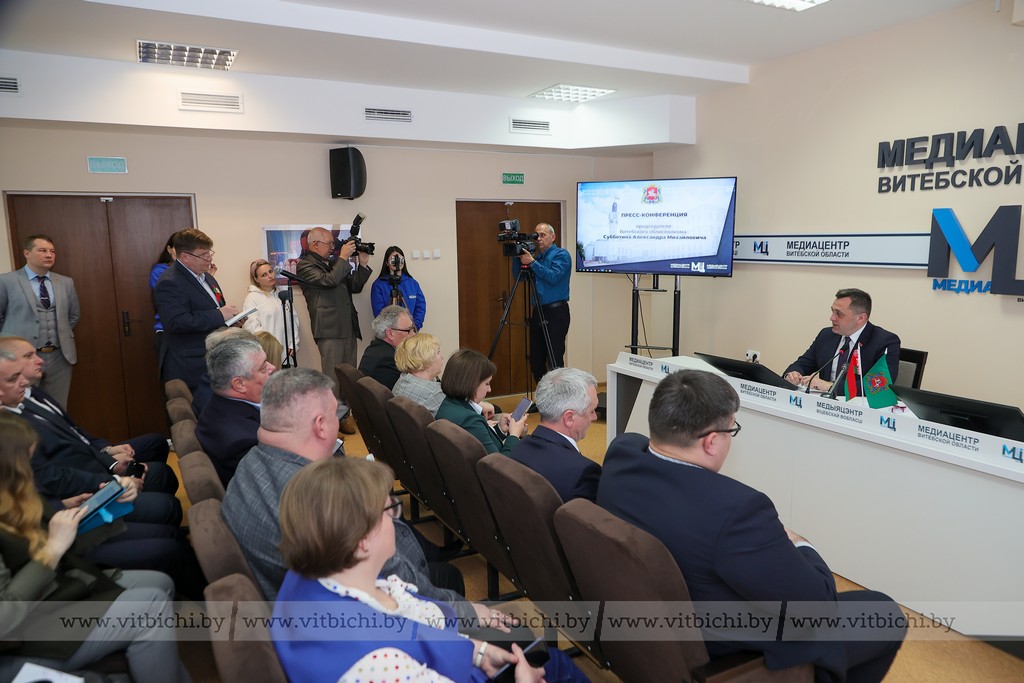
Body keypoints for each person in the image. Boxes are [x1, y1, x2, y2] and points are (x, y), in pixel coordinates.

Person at [597, 369, 905, 682]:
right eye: (732, 430)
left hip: (647, 625)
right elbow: (817, 605)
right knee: (883, 613)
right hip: (717, 645)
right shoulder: (736, 511)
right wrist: (800, 543)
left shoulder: (622, 453)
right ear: (711, 442)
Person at [222, 368, 497, 633]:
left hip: (296, 608)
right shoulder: (324, 500)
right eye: (336, 414)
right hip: (354, 621)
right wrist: (469, 614)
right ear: (321, 425)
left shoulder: (249, 464)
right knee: (451, 580)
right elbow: (399, 581)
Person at [272, 456, 589, 683]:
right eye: (389, 509)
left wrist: (477, 652)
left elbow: (408, 619)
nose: (396, 518)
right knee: (557, 665)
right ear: (362, 541)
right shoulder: (380, 663)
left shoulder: (308, 576)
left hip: (457, 660)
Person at [0, 413, 192, 683]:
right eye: (25, 464)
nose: (33, 474)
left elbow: (63, 539)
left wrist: (108, 502)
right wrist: (51, 551)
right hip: (25, 634)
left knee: (161, 583)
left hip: (54, 592)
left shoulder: (17, 493)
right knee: (152, 604)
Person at [0, 338, 182, 528]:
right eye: (29, 356)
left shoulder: (31, 393)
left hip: (89, 465)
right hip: (77, 491)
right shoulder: (11, 425)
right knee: (165, 505)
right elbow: (50, 476)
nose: (39, 360)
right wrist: (113, 480)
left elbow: (76, 433)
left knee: (158, 454)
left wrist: (109, 456)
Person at [296, 226, 372, 432]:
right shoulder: (305, 265)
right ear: (315, 244)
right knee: (332, 378)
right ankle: (330, 421)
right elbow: (328, 281)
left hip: (347, 326)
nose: (333, 247)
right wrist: (343, 257)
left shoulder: (332, 263)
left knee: (348, 376)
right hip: (329, 329)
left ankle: (344, 416)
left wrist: (363, 264)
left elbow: (354, 286)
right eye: (329, 243)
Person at [153, 228, 239, 408]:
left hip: (213, 361)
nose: (209, 258)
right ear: (185, 257)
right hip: (190, 366)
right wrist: (219, 315)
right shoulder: (170, 282)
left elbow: (215, 309)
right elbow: (176, 322)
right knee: (201, 417)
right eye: (203, 255)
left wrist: (231, 321)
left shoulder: (207, 277)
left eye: (209, 253)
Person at [0, 234, 80, 408]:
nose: (49, 255)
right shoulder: (6, 281)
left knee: (58, 408)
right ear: (27, 253)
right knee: (23, 407)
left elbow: (73, 316)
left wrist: (59, 334)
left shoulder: (65, 282)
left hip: (60, 357)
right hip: (21, 358)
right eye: (42, 250)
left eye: (52, 251)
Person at [508, 368, 601, 502]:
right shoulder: (584, 472)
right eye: (592, 411)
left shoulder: (519, 447)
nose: (595, 417)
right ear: (569, 418)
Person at [784, 288, 901, 393]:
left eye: (839, 314)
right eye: (832, 311)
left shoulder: (885, 341)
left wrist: (830, 386)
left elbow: (879, 385)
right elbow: (802, 364)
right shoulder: (826, 335)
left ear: (860, 318)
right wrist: (793, 374)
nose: (832, 318)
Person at [195, 336, 275, 486]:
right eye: (263, 367)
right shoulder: (242, 442)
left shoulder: (218, 404)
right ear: (239, 384)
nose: (273, 367)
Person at [437, 349, 527, 456]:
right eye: (487, 384)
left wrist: (500, 429)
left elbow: (484, 443)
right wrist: (514, 435)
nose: (489, 390)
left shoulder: (447, 404)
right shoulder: (470, 420)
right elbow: (500, 463)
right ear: (472, 384)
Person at [518, 223, 571, 383]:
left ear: (552, 237)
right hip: (538, 311)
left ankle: (559, 396)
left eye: (543, 235)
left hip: (556, 312)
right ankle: (543, 394)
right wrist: (518, 257)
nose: (539, 239)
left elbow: (553, 277)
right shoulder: (538, 257)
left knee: (554, 359)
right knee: (536, 359)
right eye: (537, 235)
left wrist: (532, 262)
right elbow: (520, 277)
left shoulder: (561, 255)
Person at [242, 258, 299, 365]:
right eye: (264, 275)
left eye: (270, 271)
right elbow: (252, 328)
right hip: (268, 354)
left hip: (287, 352)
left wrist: (293, 343)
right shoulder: (252, 298)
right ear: (256, 279)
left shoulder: (282, 294)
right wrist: (269, 348)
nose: (270, 276)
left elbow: (293, 320)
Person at [357, 304, 416, 390]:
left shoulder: (374, 348)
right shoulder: (390, 360)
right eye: (408, 330)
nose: (413, 335)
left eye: (413, 329)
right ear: (390, 334)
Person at [370, 245, 426, 330]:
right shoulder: (379, 285)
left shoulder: (412, 283)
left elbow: (420, 306)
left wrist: (414, 326)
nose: (397, 262)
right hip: (388, 332)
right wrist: (391, 330)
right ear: (387, 262)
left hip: (410, 331)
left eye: (400, 259)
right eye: (393, 259)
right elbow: (379, 313)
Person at [392, 332, 446, 415]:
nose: (442, 357)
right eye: (438, 352)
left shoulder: (403, 379)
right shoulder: (433, 393)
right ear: (427, 358)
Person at [150, 230, 179, 356]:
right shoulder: (159, 272)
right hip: (166, 331)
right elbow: (177, 296)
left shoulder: (196, 273)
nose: (182, 253)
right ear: (169, 249)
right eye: (178, 248)